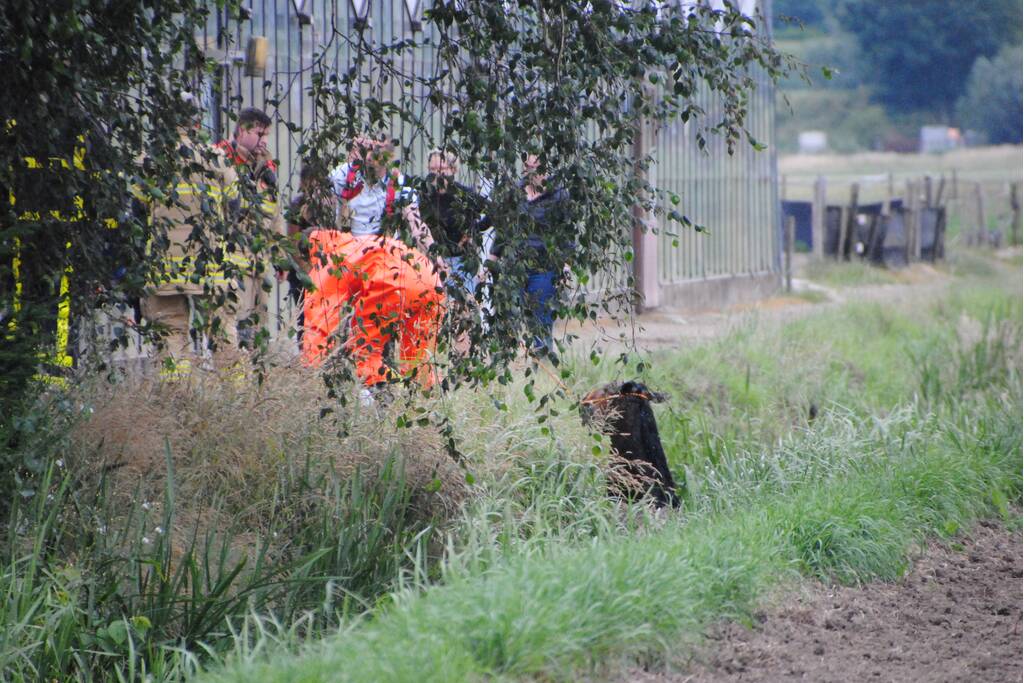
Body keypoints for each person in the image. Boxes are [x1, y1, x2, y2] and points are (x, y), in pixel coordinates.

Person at [303, 137, 444, 387]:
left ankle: (380, 387)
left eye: (379, 160)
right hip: (346, 262)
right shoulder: (343, 176)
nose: (373, 165)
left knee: (375, 336)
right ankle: (333, 381)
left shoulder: (399, 186)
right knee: (336, 328)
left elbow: (415, 224)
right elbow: (315, 206)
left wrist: (434, 254)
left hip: (381, 266)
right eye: (369, 157)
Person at [137, 102, 241, 375]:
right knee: (223, 335)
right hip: (212, 266)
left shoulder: (150, 160)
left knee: (170, 332)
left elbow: (136, 210)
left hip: (165, 266)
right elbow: (235, 205)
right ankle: (238, 399)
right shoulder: (217, 158)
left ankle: (177, 398)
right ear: (197, 124)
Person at [215, 107, 283, 347]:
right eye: (258, 134)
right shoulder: (222, 161)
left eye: (266, 136)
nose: (263, 141)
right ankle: (232, 382)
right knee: (229, 331)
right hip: (232, 264)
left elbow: (275, 215)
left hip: (259, 264)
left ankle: (255, 382)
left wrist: (280, 256)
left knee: (257, 334)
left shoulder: (266, 169)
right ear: (241, 131)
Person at [417, 150, 489, 298]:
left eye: (441, 169)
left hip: (459, 263)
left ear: (453, 170)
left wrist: (473, 231)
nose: (437, 174)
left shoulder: (463, 195)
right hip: (431, 262)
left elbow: (493, 212)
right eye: (432, 170)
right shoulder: (425, 197)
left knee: (460, 311)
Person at [517, 154, 571, 354]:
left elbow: (567, 232)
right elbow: (504, 228)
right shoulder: (516, 191)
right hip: (517, 266)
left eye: (537, 166)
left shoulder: (558, 195)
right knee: (520, 315)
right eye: (528, 165)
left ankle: (543, 361)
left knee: (541, 317)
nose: (532, 170)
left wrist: (566, 264)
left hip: (544, 267)